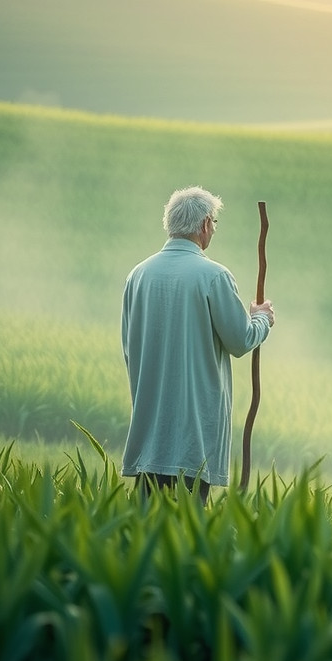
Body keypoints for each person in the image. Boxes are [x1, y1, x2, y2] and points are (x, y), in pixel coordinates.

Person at [121, 186, 275, 503]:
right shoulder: (213, 276)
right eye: (214, 223)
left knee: (143, 525)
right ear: (205, 224)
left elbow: (128, 345)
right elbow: (241, 339)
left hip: (150, 425)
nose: (214, 230)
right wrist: (261, 319)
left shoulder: (138, 275)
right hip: (194, 432)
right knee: (187, 528)